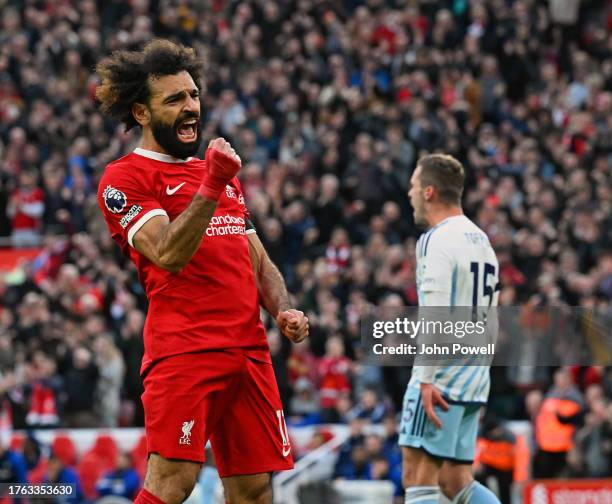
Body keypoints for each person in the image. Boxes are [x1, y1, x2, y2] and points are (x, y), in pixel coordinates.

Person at [95, 39, 309, 504]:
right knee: (175, 482)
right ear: (141, 113)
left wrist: (283, 309)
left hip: (249, 351)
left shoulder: (220, 173)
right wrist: (211, 182)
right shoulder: (125, 178)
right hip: (186, 350)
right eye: (174, 100)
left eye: (193, 95)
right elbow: (167, 253)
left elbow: (255, 255)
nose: (191, 107)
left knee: (254, 490)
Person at [400, 154, 501, 503]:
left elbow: (436, 313)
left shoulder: (436, 239)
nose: (409, 193)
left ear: (429, 192)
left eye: (413, 185)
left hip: (441, 376)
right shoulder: (481, 240)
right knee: (455, 480)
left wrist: (426, 378)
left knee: (418, 478)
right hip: (473, 374)